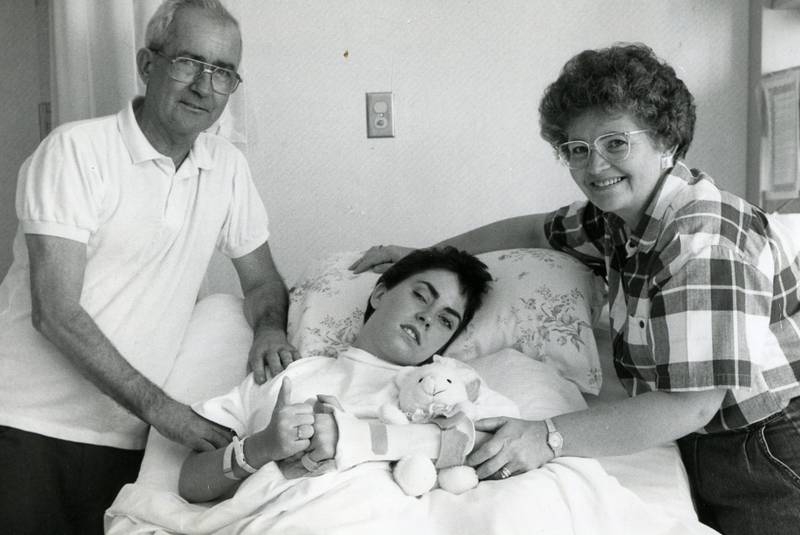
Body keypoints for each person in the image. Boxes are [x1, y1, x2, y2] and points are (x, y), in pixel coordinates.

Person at [349, 43, 800, 535]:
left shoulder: (701, 240)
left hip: (770, 444)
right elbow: (533, 230)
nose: (595, 166)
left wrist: (547, 436)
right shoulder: (618, 219)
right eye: (577, 149)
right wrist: (425, 255)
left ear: (665, 139)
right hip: (705, 440)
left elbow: (691, 403)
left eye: (615, 143)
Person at [0, 1, 298, 532]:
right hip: (27, 426)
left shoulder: (227, 167)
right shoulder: (75, 151)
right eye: (188, 62)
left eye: (223, 73)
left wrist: (269, 327)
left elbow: (261, 281)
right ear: (146, 64)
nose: (204, 87)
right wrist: (167, 413)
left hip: (132, 446)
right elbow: (55, 312)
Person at [177, 246, 513, 503]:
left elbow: (504, 444)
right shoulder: (287, 373)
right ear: (380, 293)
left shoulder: (449, 387)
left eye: (445, 321)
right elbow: (191, 481)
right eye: (421, 295)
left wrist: (352, 438)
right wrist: (261, 448)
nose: (427, 317)